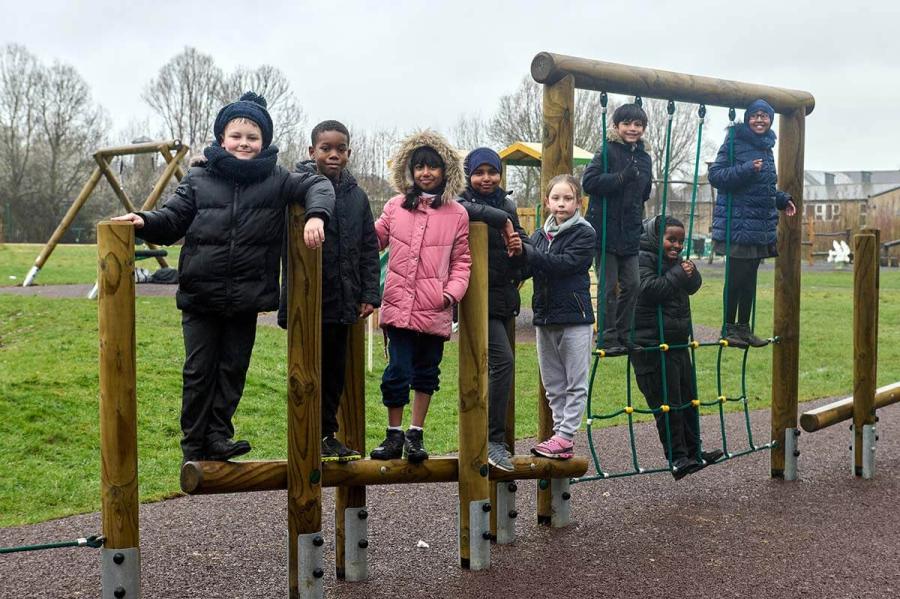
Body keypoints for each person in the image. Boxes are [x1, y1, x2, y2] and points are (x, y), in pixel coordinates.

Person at [112, 92, 335, 463]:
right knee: (199, 371)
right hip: (202, 295)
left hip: (246, 296)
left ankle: (218, 435)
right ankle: (193, 445)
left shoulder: (276, 179)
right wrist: (144, 220)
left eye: (252, 138)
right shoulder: (199, 178)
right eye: (236, 136)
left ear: (264, 142)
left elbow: (318, 185)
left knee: (232, 369)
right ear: (221, 139)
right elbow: (172, 220)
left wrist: (316, 216)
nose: (244, 144)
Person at [277, 120, 380, 462]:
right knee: (305, 370)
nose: (333, 155)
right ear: (312, 152)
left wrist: (369, 292)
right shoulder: (296, 190)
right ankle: (304, 433)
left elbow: (368, 246)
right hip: (307, 301)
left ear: (349, 153)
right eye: (326, 149)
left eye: (340, 149)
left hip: (343, 299)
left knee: (335, 372)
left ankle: (326, 435)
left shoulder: (357, 197)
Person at [369, 130, 471, 463]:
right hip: (399, 305)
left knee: (427, 372)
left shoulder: (457, 213)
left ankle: (416, 433)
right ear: (409, 171)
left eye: (432, 167)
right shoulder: (396, 207)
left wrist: (450, 294)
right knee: (396, 371)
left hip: (434, 306)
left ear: (445, 171)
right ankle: (393, 434)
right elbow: (375, 239)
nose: (425, 173)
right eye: (419, 167)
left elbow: (461, 261)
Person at [631, 215, 724, 479]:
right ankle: (678, 458)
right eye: (671, 239)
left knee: (687, 400)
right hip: (651, 345)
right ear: (655, 238)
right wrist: (678, 273)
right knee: (667, 404)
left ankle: (695, 452)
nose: (677, 245)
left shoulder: (675, 262)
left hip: (677, 341)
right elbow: (648, 289)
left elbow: (692, 286)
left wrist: (691, 273)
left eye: (681, 241)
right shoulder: (642, 258)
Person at [458, 147, 528, 472]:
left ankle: (494, 437)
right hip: (476, 300)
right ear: (469, 175)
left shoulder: (509, 204)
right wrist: (501, 220)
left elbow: (526, 248)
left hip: (503, 298)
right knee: (503, 362)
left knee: (499, 367)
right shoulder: (460, 204)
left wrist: (519, 247)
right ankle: (492, 439)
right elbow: (464, 210)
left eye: (492, 171)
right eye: (479, 172)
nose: (486, 178)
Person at [708, 98, 797, 348]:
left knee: (749, 281)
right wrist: (746, 169)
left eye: (764, 116)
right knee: (736, 278)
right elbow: (716, 175)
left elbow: (764, 189)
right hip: (737, 224)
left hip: (758, 226)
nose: (759, 120)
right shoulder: (734, 142)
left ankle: (743, 328)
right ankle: (728, 327)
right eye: (755, 115)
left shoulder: (767, 148)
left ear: (770, 121)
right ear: (748, 119)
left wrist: (782, 199)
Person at [524, 174, 595, 459]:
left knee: (574, 381)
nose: (561, 203)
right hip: (545, 316)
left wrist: (529, 254)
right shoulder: (540, 236)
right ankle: (558, 434)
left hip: (575, 317)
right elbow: (527, 266)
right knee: (552, 382)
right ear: (547, 202)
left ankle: (566, 435)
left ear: (579, 202)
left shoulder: (584, 233)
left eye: (568, 198)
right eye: (556, 198)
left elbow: (564, 264)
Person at [582, 103, 653, 356]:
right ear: (616, 126)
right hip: (605, 230)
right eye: (627, 124)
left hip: (631, 231)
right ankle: (606, 336)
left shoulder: (645, 158)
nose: (632, 129)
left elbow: (643, 192)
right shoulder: (607, 151)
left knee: (633, 284)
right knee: (608, 285)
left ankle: (624, 333)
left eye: (638, 125)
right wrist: (621, 178)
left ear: (643, 128)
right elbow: (588, 182)